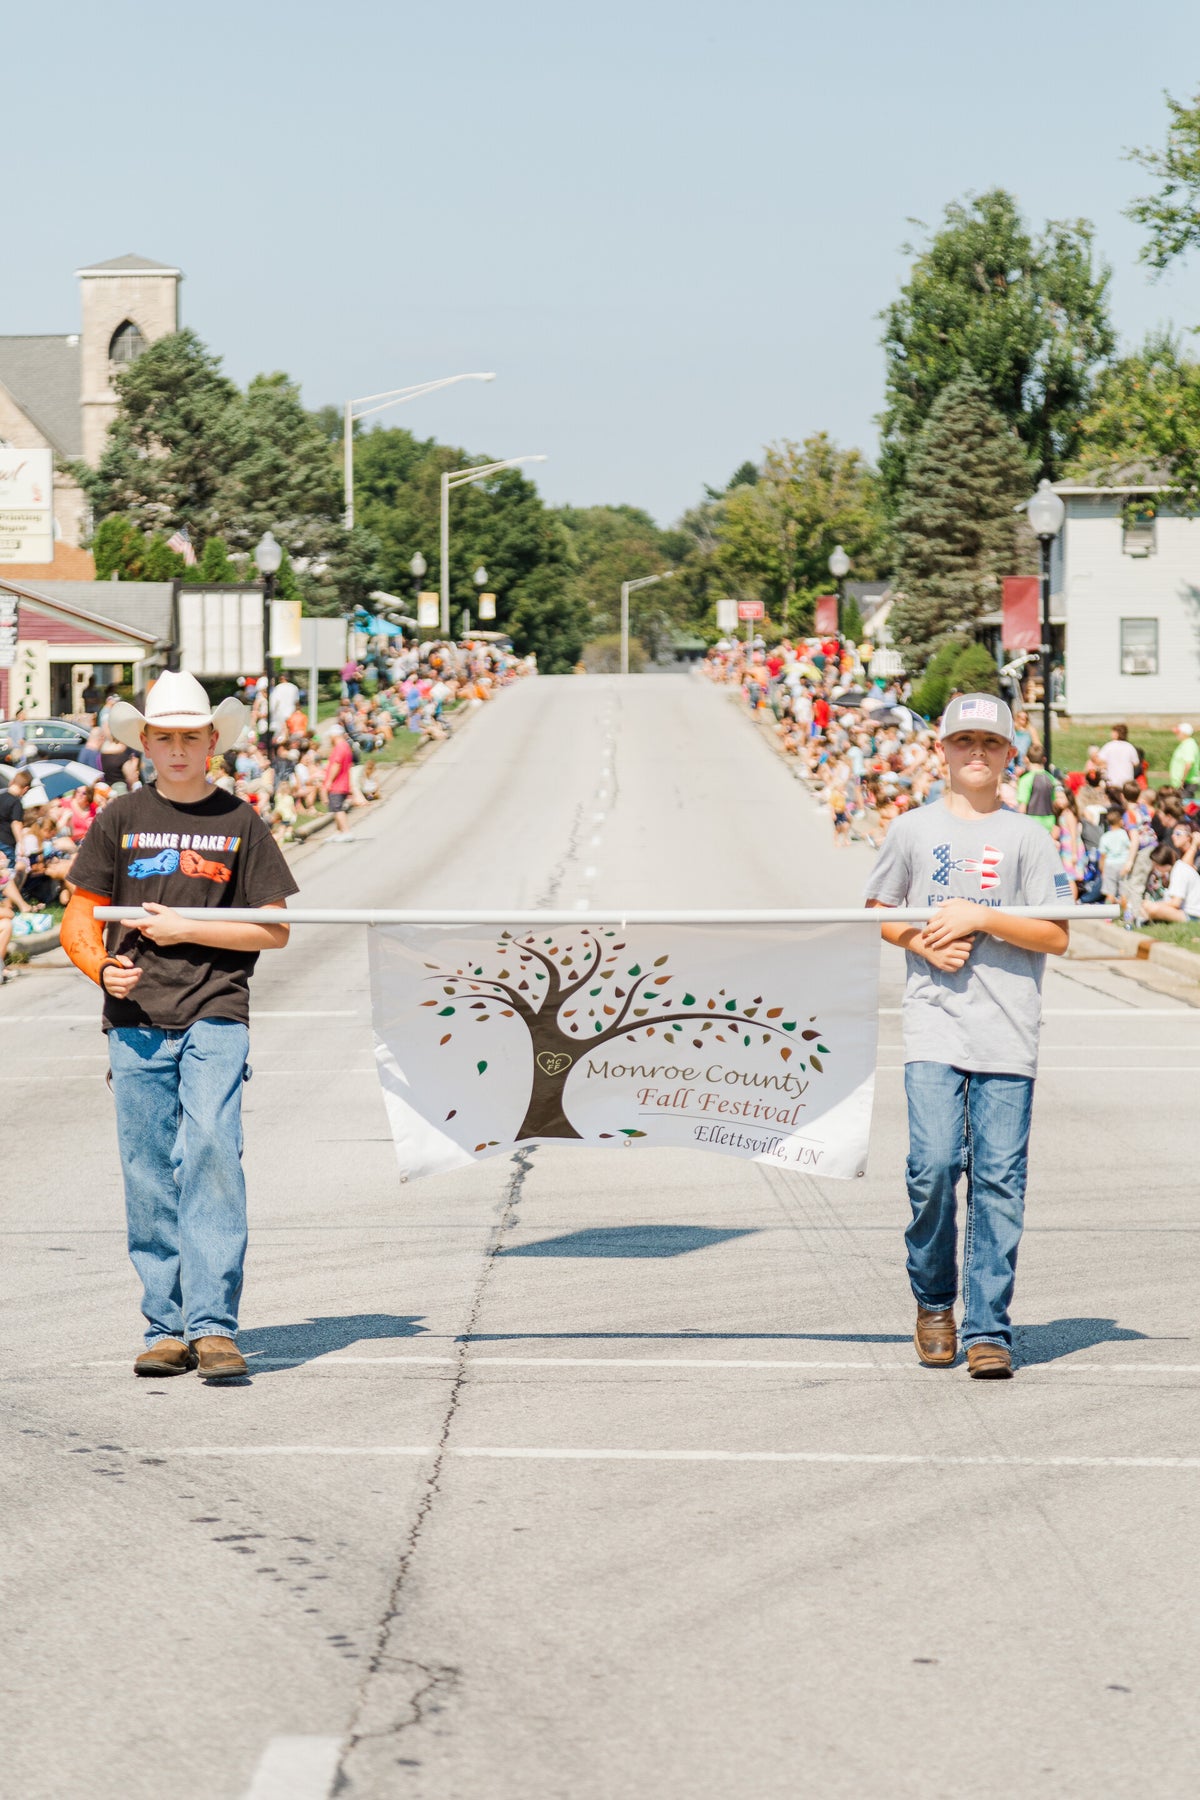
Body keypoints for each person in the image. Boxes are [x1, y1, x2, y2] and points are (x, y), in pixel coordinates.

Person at [60, 671, 299, 1381]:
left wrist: (187, 927)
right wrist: (102, 970)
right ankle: (165, 1327)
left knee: (214, 1152)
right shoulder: (119, 819)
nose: (176, 749)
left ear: (211, 744)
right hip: (133, 1016)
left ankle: (214, 1327)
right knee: (147, 1171)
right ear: (146, 745)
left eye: (189, 737)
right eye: (163, 737)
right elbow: (81, 914)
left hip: (217, 1007)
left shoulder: (240, 821)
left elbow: (275, 931)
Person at [865, 693, 1072, 1380]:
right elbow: (878, 911)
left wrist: (980, 915)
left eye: (990, 742)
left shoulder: (1028, 838)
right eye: (964, 742)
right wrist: (924, 942)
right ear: (943, 752)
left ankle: (988, 1327)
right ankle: (933, 1302)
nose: (976, 753)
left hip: (1008, 1030)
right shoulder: (913, 830)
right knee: (931, 1168)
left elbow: (1054, 933)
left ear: (1010, 755)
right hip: (933, 1023)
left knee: (998, 1182)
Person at [1143, 843, 1200, 924]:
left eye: (1155, 865)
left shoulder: (1179, 871)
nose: (1154, 868)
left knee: (1152, 908)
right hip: (1188, 912)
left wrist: (1154, 904)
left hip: (1193, 916)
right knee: (1148, 906)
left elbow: (1175, 903)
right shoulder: (1177, 868)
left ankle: (1144, 921)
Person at [321, 721, 354, 832]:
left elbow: (337, 764)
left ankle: (346, 831)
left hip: (338, 784)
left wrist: (329, 781)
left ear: (334, 735)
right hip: (342, 782)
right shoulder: (345, 746)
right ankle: (339, 832)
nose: (330, 738)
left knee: (337, 808)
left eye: (330, 736)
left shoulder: (340, 747)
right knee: (335, 808)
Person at [1098, 808, 1131, 902]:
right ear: (1121, 821)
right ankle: (1125, 915)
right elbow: (1129, 847)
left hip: (1109, 865)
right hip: (1122, 864)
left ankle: (1107, 916)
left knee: (1110, 893)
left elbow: (1103, 856)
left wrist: (1102, 869)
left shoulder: (1105, 837)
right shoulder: (1123, 833)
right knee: (1124, 892)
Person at [1095, 724, 1139, 790]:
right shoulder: (1130, 747)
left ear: (1116, 734)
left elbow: (1099, 760)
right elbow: (1136, 763)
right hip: (1127, 783)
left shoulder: (1109, 746)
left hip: (1112, 782)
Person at [1169, 722, 1200, 792]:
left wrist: (1182, 780)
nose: (1176, 735)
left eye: (1178, 732)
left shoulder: (1189, 745)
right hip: (1181, 783)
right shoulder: (1184, 744)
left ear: (1184, 733)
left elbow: (1188, 764)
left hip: (1186, 783)